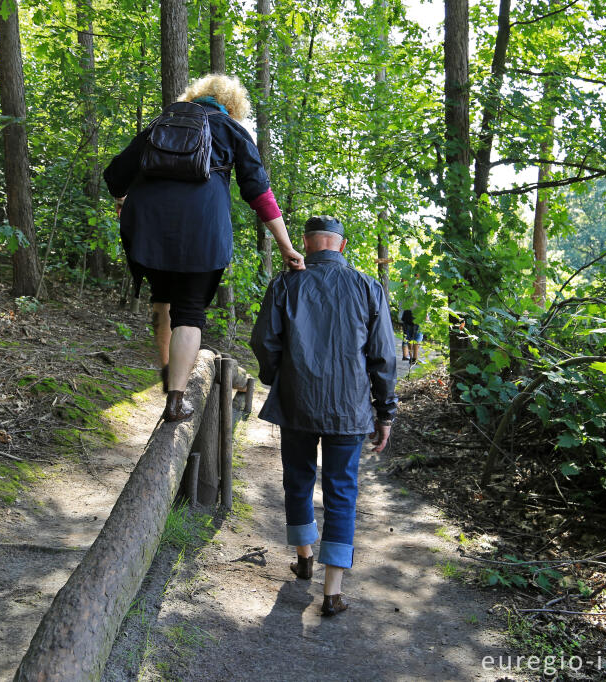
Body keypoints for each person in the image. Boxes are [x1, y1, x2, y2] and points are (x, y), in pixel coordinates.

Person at [104, 74, 304, 422]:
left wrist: (123, 200)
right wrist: (286, 246)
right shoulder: (232, 129)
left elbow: (115, 176)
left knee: (163, 296)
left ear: (194, 97)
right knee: (191, 313)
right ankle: (176, 400)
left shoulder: (161, 123)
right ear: (233, 105)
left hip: (149, 232)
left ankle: (168, 372)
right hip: (202, 234)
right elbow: (259, 193)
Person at [250, 215, 397, 617]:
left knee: (297, 478)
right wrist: (385, 413)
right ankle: (332, 592)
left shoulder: (285, 283)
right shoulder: (369, 287)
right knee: (342, 491)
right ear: (342, 247)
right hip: (349, 408)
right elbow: (383, 356)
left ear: (306, 243)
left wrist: (279, 376)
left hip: (297, 401)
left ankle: (304, 557)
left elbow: (263, 341)